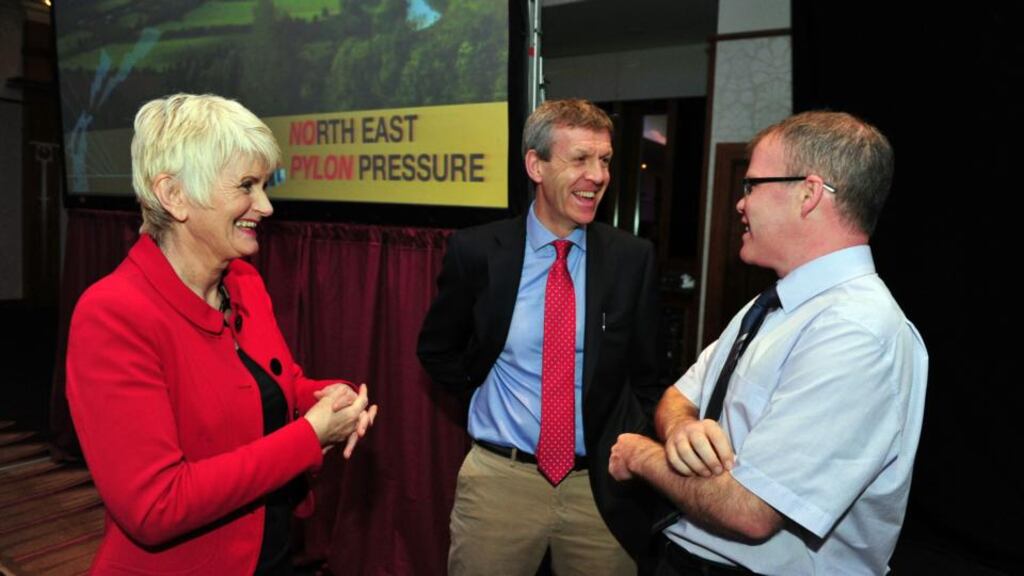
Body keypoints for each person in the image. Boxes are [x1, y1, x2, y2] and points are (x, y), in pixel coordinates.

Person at [66, 93, 378, 575]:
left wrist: (320, 396)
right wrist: (309, 436)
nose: (266, 206)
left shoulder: (245, 283)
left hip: (271, 556)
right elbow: (155, 507)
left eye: (264, 185)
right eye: (247, 186)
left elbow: (272, 386)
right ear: (173, 195)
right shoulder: (112, 314)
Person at [609, 111, 928, 575]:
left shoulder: (855, 331)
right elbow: (680, 396)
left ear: (808, 194)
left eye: (752, 184)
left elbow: (750, 512)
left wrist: (643, 456)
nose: (741, 203)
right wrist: (683, 433)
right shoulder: (775, 303)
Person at [417, 98, 664, 576]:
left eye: (605, 160)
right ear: (536, 164)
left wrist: (630, 446)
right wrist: (479, 400)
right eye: (579, 159)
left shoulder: (631, 260)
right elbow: (437, 348)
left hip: (600, 489)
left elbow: (649, 376)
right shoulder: (478, 252)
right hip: (499, 483)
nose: (597, 176)